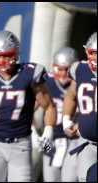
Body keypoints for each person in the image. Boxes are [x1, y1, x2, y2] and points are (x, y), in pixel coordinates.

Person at [0, 30, 57, 182]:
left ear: (16, 53)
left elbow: (50, 107)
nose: (1, 60)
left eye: (6, 55)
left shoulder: (29, 74)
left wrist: (48, 132)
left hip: (20, 145)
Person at [32, 47, 79, 181]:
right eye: (60, 69)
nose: (64, 74)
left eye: (67, 70)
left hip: (75, 140)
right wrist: (33, 132)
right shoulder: (47, 82)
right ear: (54, 67)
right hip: (52, 141)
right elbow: (28, 110)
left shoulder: (82, 82)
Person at [62, 32, 97, 182]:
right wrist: (66, 120)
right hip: (88, 144)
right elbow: (71, 96)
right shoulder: (80, 70)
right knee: (87, 177)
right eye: (95, 53)